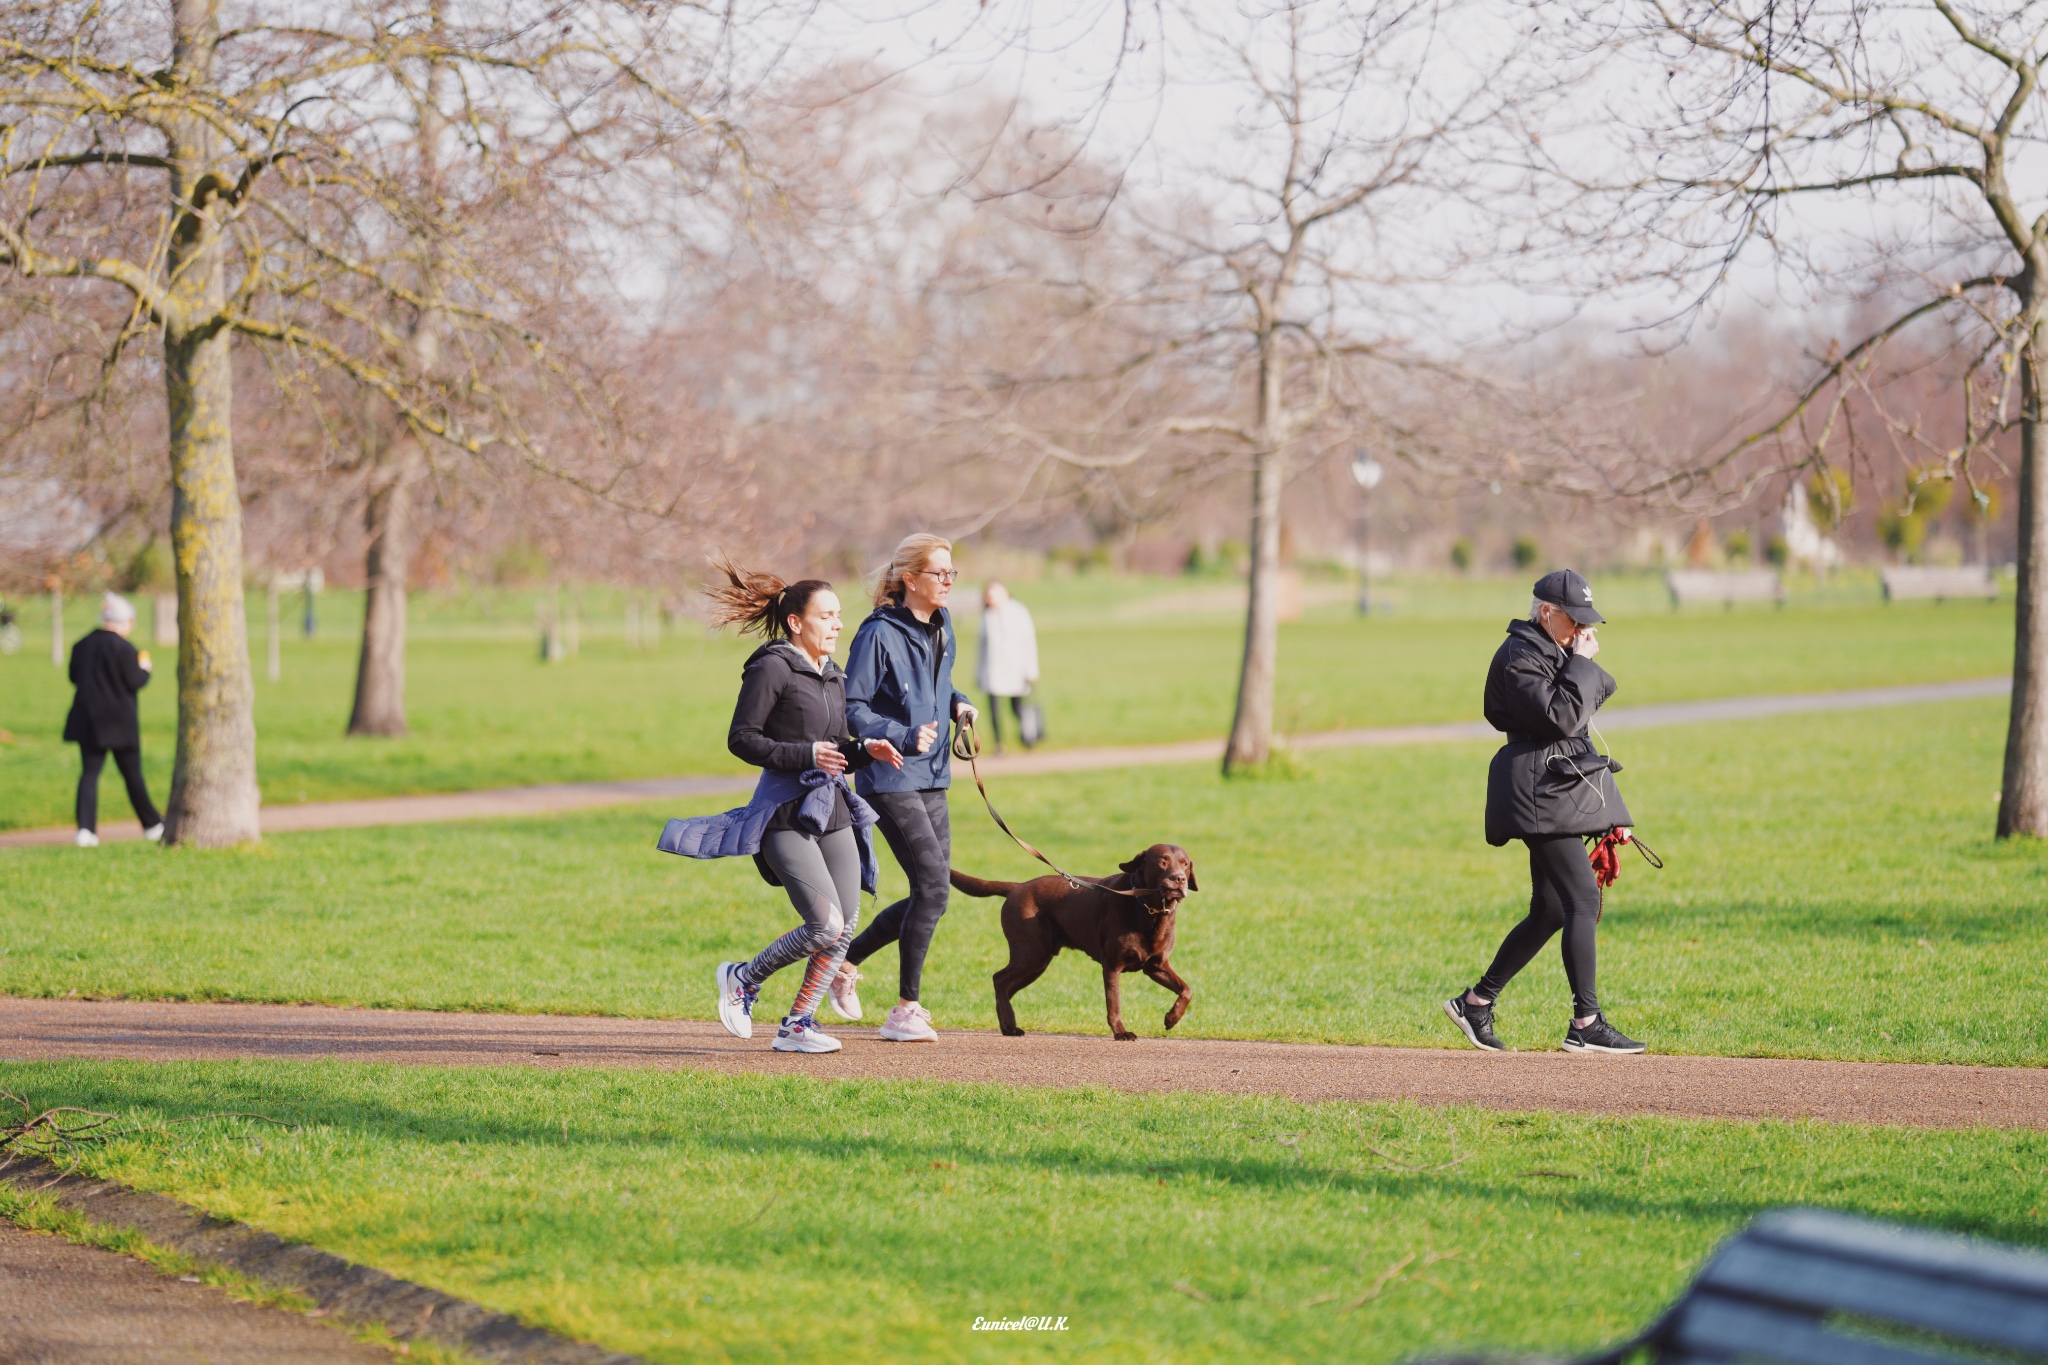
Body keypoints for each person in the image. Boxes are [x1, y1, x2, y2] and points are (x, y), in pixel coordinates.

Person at [660, 561, 906, 1053]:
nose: (838, 624)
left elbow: (835, 747)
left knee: (845, 926)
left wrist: (865, 749)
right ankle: (742, 978)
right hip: (784, 812)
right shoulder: (771, 666)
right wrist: (805, 755)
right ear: (796, 621)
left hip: (831, 807)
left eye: (840, 615)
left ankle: (798, 1024)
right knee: (826, 924)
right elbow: (742, 739)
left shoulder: (832, 675)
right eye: (827, 615)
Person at [1443, 569, 1646, 1055]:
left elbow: (1578, 718)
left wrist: (1607, 813)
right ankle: (1586, 1022)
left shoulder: (1553, 651)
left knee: (1553, 908)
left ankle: (1476, 1002)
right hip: (1539, 792)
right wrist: (1580, 662)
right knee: (1582, 899)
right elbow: (1561, 716)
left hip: (1557, 789)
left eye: (1585, 624)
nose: (1581, 631)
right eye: (1573, 621)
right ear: (1546, 613)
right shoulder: (1518, 656)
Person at [836, 533, 978, 1043]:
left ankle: (845, 963)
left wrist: (959, 703)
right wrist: (901, 734)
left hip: (934, 775)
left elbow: (935, 687)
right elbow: (853, 708)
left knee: (930, 894)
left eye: (951, 573)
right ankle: (904, 1010)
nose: (947, 581)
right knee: (936, 888)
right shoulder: (877, 634)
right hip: (890, 775)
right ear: (909, 579)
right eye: (939, 573)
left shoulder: (942, 626)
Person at [64, 592, 163, 848]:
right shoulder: (126, 649)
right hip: (120, 724)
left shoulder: (81, 645)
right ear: (123, 621)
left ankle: (86, 830)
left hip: (89, 721)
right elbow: (135, 681)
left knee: (89, 774)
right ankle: (152, 824)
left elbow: (74, 677)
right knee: (132, 775)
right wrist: (146, 670)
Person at [976, 580, 1039, 753]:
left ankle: (1028, 735)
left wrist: (1031, 670)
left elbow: (1029, 642)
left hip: (1015, 670)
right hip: (992, 670)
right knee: (994, 709)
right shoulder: (987, 616)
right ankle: (999, 744)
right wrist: (979, 673)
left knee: (1017, 708)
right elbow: (981, 648)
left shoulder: (1018, 611)